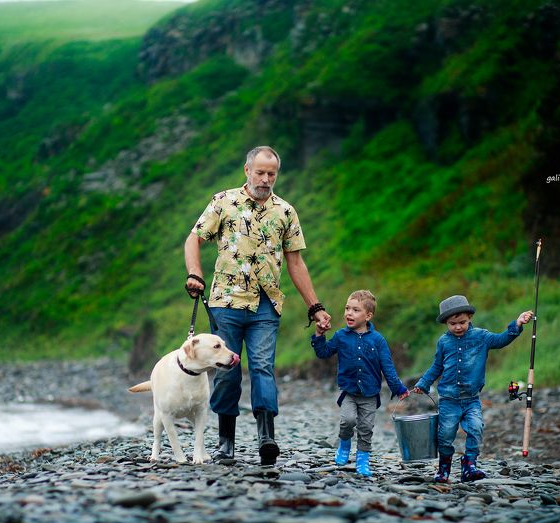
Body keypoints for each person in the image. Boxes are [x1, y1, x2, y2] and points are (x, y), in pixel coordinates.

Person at [184, 146, 331, 466]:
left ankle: (267, 438)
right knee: (227, 371)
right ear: (247, 170)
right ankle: (226, 443)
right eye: (260, 172)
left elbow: (296, 263)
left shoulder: (285, 211)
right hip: (226, 302)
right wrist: (195, 273)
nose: (265, 179)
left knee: (263, 368)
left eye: (271, 174)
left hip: (266, 305)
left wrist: (315, 306)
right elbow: (193, 239)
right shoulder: (223, 201)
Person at [412, 295, 533, 483]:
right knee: (445, 435)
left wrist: (517, 324)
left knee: (476, 428)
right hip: (449, 399)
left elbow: (501, 339)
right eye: (452, 324)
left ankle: (469, 465)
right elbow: (437, 366)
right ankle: (444, 469)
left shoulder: (481, 337)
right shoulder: (443, 342)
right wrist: (423, 383)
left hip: (471, 399)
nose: (458, 327)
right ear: (446, 323)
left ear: (470, 317)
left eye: (462, 322)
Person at [311, 290, 409, 477]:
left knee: (366, 428)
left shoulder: (378, 340)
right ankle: (344, 444)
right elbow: (323, 353)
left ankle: (363, 459)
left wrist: (398, 388)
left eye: (356, 310)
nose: (349, 313)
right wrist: (319, 335)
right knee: (347, 420)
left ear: (368, 315)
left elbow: (387, 367)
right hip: (348, 391)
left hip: (370, 394)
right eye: (347, 308)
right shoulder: (341, 336)